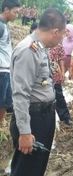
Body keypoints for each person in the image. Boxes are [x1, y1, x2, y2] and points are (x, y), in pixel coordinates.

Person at [8, 8, 66, 176]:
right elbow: (20, 94)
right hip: (32, 120)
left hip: (42, 116)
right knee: (25, 174)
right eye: (62, 35)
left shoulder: (40, 47)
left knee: (34, 171)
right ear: (55, 32)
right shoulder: (28, 50)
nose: (62, 39)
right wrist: (25, 132)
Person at [0, 0, 20, 128]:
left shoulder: (5, 25)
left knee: (4, 103)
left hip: (6, 70)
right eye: (15, 12)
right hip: (1, 70)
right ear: (6, 10)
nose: (16, 15)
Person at [49, 43, 73, 126]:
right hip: (42, 77)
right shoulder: (38, 43)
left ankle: (65, 117)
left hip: (55, 75)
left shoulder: (58, 45)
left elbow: (61, 60)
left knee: (59, 96)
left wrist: (62, 72)